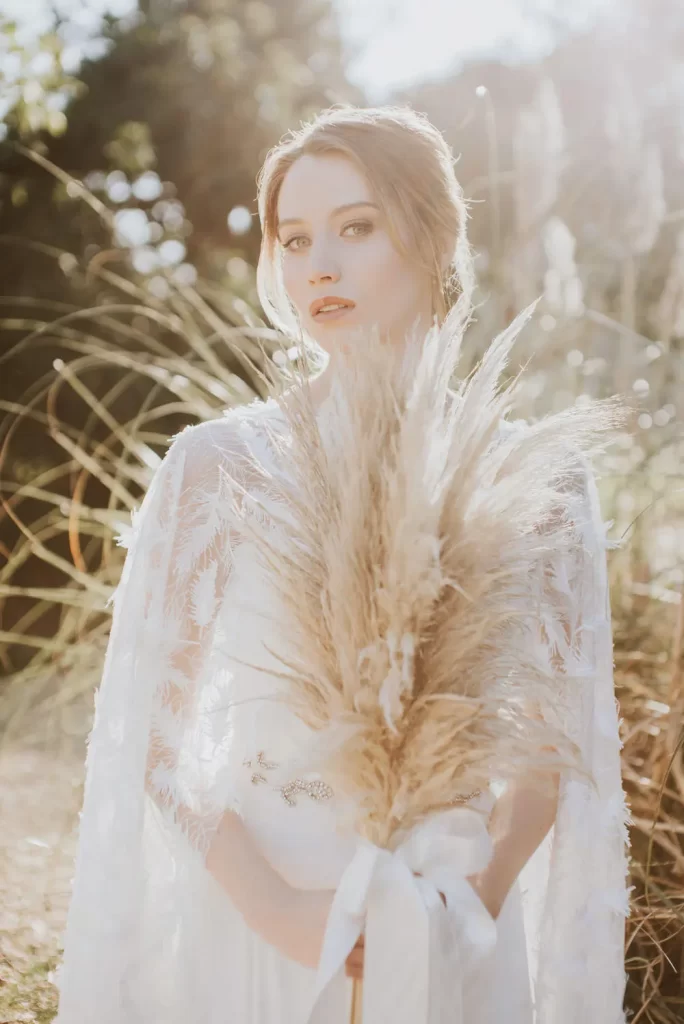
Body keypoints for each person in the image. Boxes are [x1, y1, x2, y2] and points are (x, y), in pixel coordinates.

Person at [55, 105, 630, 1024]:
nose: (317, 263)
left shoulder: (541, 480)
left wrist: (470, 900)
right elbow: (151, 737)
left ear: (434, 237)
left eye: (355, 228)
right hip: (262, 921)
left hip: (454, 921)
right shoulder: (218, 467)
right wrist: (278, 908)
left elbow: (556, 739)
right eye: (294, 238)